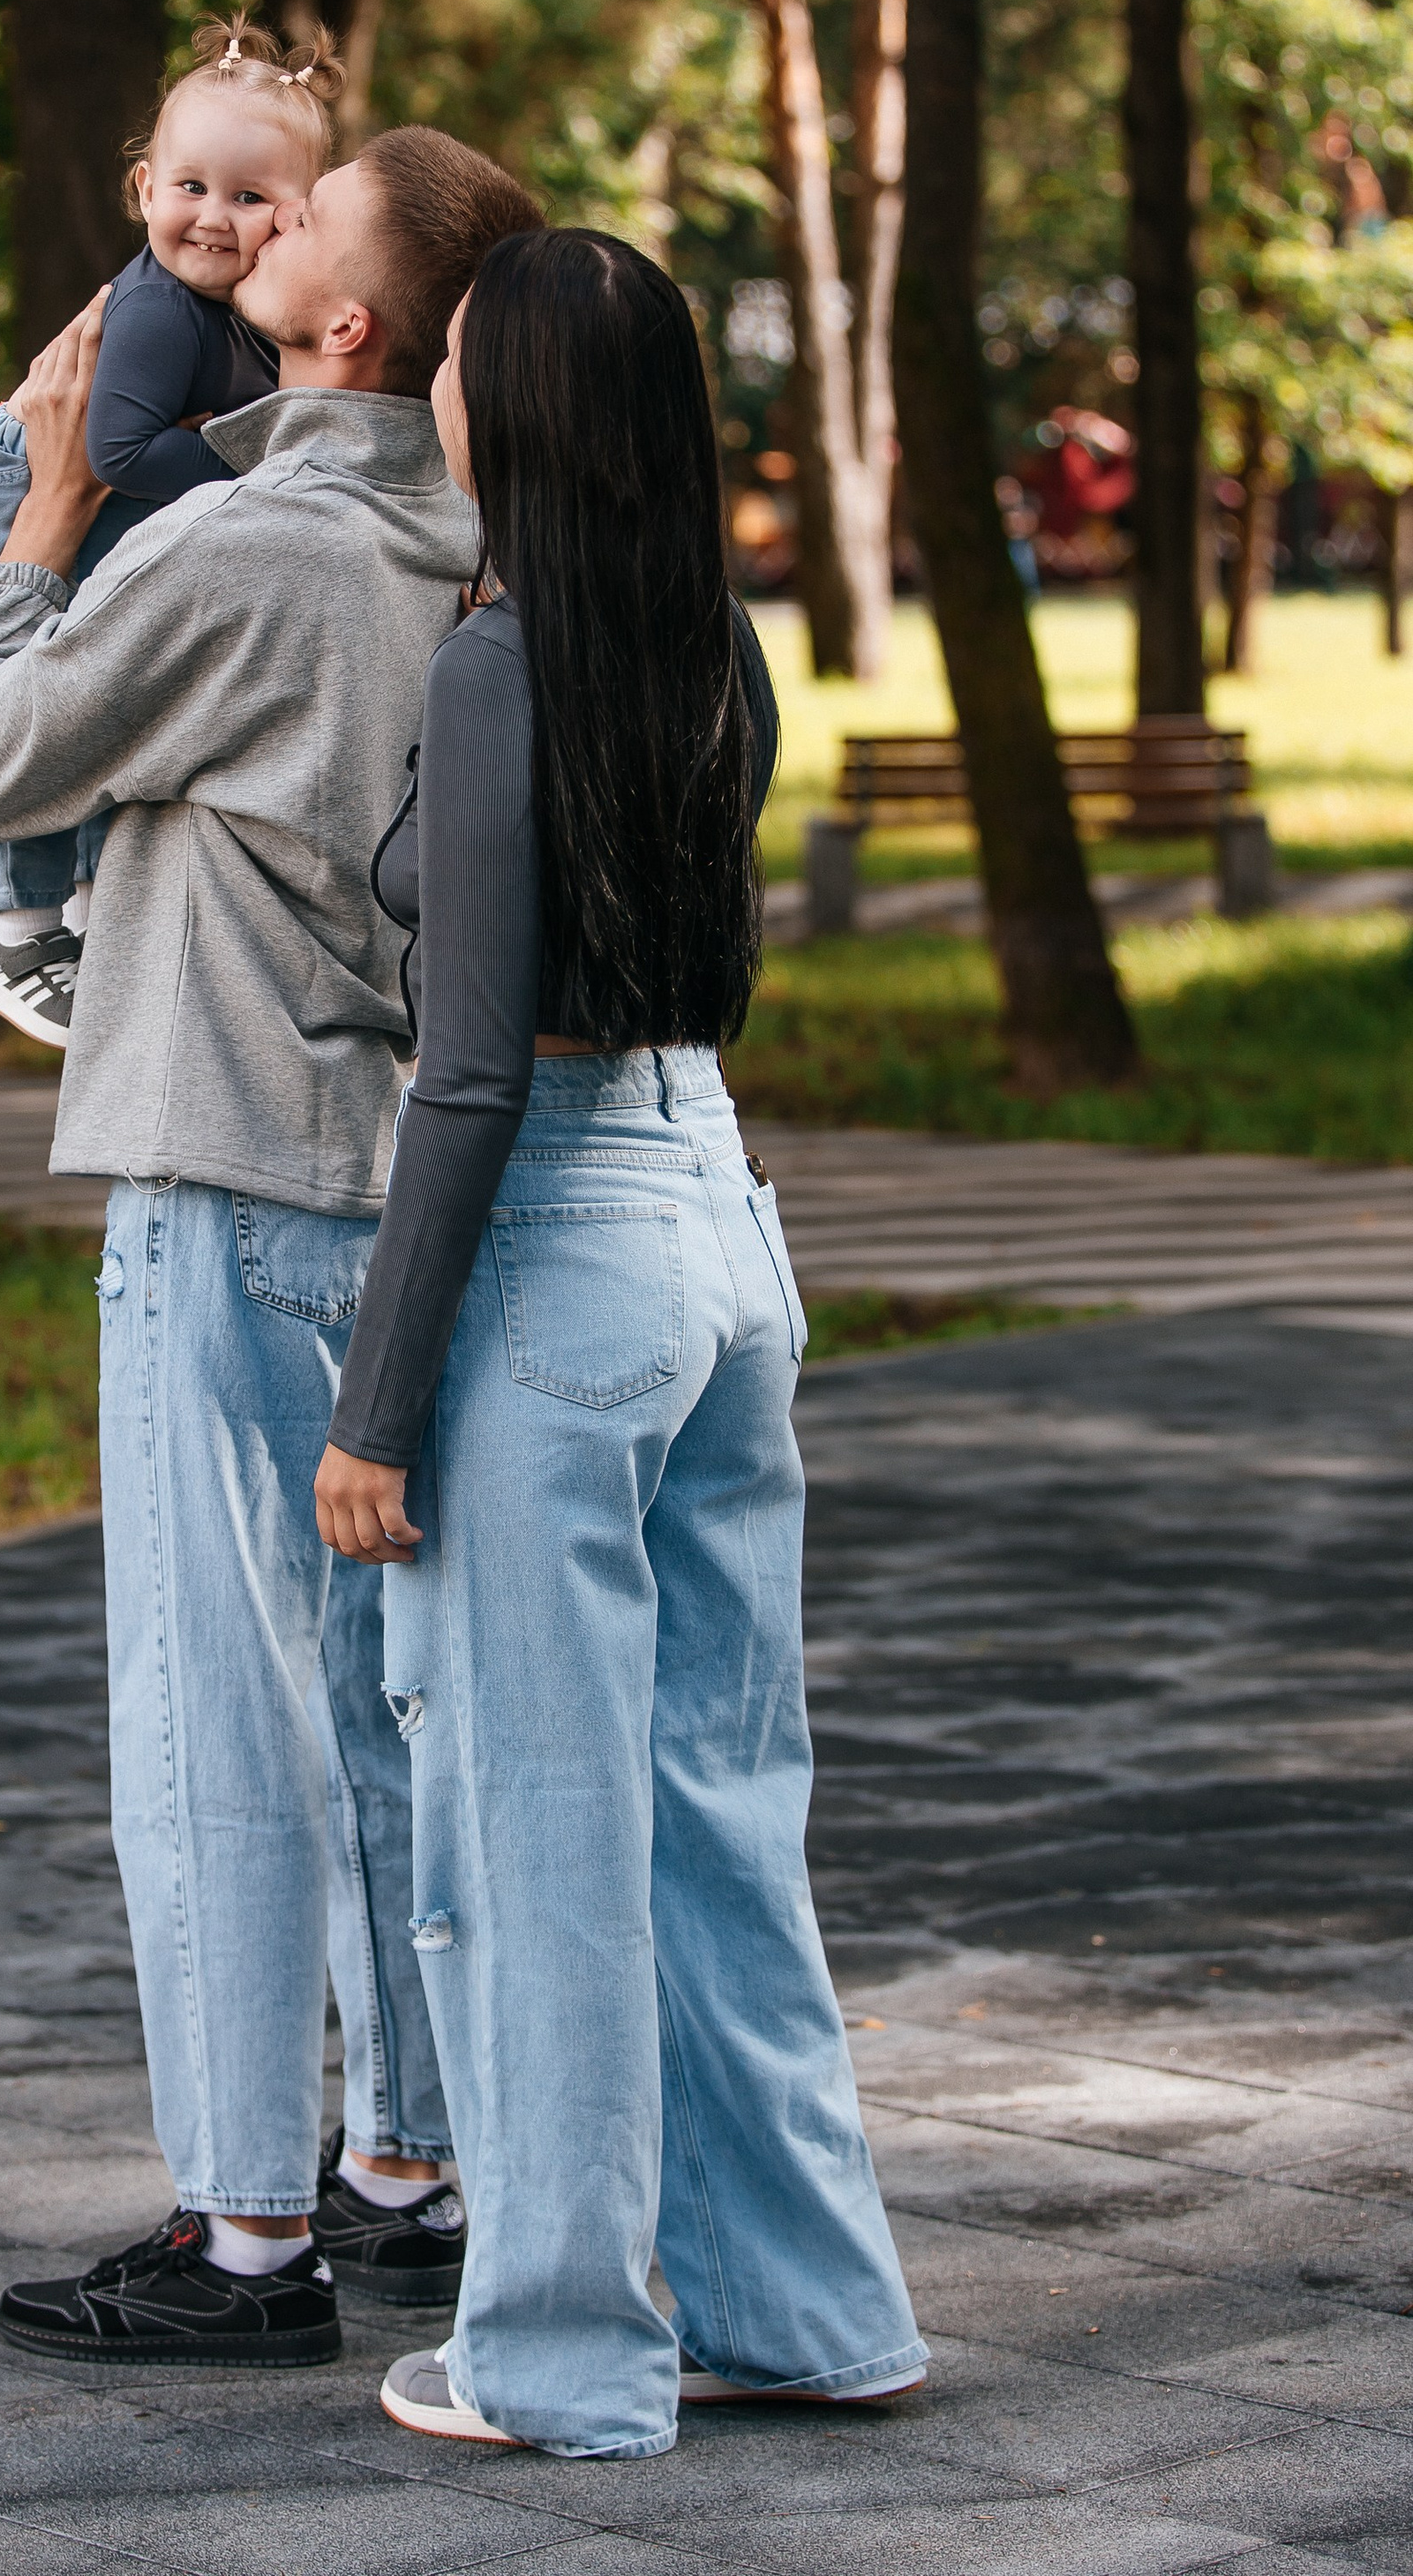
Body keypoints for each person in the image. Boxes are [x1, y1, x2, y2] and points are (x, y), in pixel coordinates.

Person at [0, 126, 545, 2369]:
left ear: (348, 316)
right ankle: (403, 2163)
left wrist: (46, 518)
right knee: (387, 1701)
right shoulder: (480, 531)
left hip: (222, 1160)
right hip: (412, 1180)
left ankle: (239, 2226)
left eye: (308, 211)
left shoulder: (246, 547)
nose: (258, 224)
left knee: (207, 1709)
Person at [313, 228, 928, 2457]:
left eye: (460, 362)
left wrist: (375, 1408)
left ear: (525, 410)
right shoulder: (709, 649)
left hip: (561, 1244)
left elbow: (470, 1071)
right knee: (714, 1813)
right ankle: (809, 2306)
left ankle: (557, 2352)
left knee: (537, 1835)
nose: (437, 387)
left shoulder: (500, 662)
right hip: (719, 1224)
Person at [0, 17, 342, 1050]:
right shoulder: (157, 312)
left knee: (104, 693)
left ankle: (96, 905)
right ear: (145, 188)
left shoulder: (239, 313)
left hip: (101, 520)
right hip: (3, 498)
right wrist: (265, 460)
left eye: (248, 198)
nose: (210, 217)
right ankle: (18, 928)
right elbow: (121, 455)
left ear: (295, 217)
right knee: (19, 706)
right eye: (188, 188)